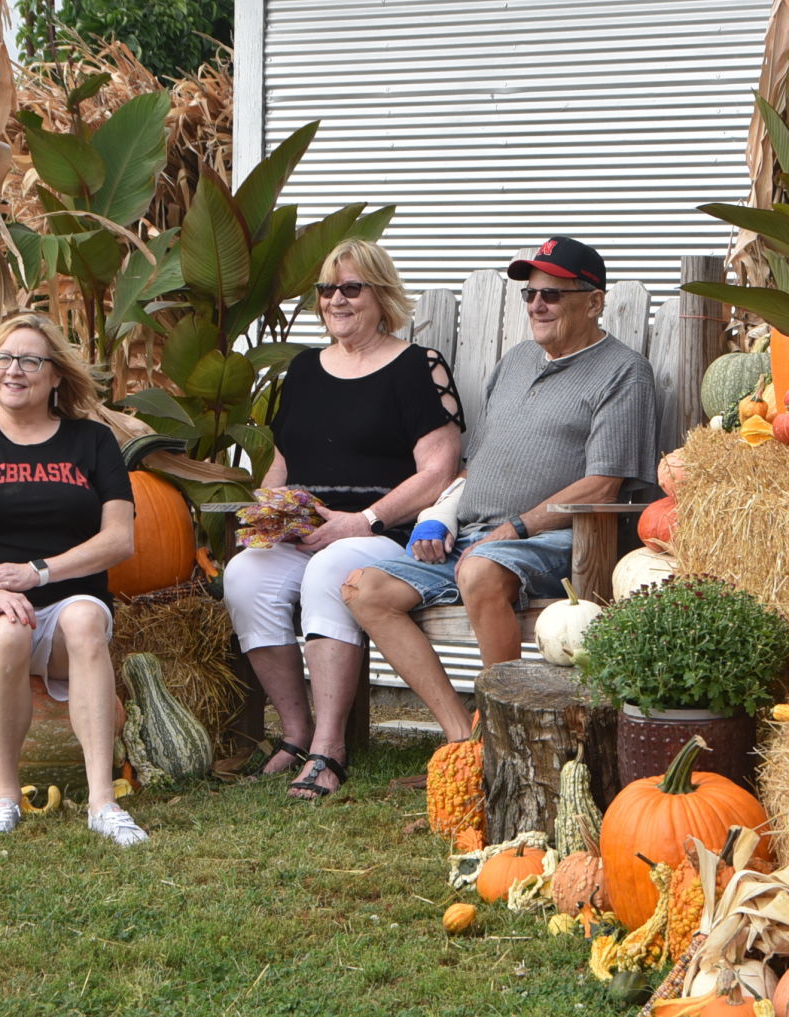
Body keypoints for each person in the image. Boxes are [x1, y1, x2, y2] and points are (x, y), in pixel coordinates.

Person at [343, 235, 658, 745]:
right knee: (365, 589)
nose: (537, 304)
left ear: (594, 301)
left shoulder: (623, 372)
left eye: (552, 295)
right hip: (475, 535)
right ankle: (462, 739)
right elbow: (477, 464)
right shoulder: (515, 362)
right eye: (530, 294)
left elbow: (605, 482)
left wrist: (516, 526)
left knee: (480, 570)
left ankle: (504, 737)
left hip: (561, 540)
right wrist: (439, 517)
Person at [223, 239, 463, 800]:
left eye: (351, 288)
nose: (337, 299)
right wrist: (272, 512)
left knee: (329, 570)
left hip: (386, 535)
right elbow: (282, 462)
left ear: (381, 296)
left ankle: (330, 748)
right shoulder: (305, 369)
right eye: (327, 289)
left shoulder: (416, 366)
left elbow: (439, 469)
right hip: (308, 530)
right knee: (245, 576)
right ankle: (295, 731)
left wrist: (361, 521)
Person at [0, 313, 148, 847]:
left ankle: (102, 803)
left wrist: (38, 572)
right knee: (7, 632)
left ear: (56, 376)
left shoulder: (92, 442)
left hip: (67, 597)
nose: (13, 370)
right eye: (3, 358)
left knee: (87, 619)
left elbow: (119, 540)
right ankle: (4, 798)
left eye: (29, 360)